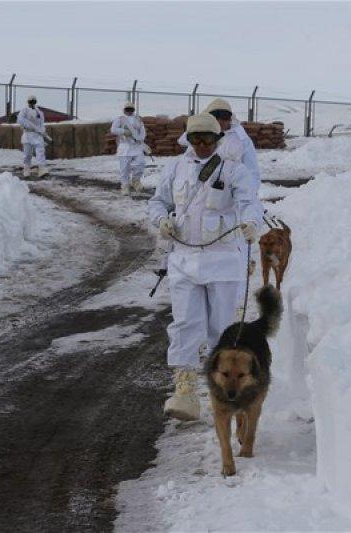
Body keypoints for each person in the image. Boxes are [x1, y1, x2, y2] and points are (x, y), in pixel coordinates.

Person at [148, 113, 263, 421]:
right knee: (185, 323)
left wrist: (251, 222)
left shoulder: (234, 171)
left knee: (221, 329)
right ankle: (185, 392)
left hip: (222, 260)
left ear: (217, 140)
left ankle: (221, 393)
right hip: (184, 259)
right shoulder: (174, 168)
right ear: (188, 139)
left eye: (207, 140)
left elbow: (249, 201)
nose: (201, 146)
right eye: (195, 139)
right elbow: (157, 202)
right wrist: (162, 221)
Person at [178, 98, 261, 188]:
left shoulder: (241, 140)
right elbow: (186, 163)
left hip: (230, 189)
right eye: (215, 116)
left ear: (230, 119)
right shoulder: (200, 138)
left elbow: (252, 171)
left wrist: (250, 193)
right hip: (200, 188)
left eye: (224, 117)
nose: (220, 121)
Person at [110, 101, 147, 195]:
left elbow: (142, 130)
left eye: (131, 109)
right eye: (127, 109)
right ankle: (125, 186)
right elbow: (113, 130)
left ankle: (135, 181)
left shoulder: (138, 119)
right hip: (125, 147)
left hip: (136, 146)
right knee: (125, 168)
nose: (129, 111)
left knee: (140, 164)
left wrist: (140, 139)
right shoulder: (120, 119)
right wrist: (124, 131)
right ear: (124, 110)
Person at [17, 95, 48, 177]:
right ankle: (26, 169)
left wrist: (42, 131)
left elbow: (41, 124)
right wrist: (29, 126)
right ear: (28, 102)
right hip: (27, 135)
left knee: (40, 151)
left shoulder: (39, 112)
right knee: (27, 154)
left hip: (37, 135)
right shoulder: (24, 110)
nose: (32, 103)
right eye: (30, 101)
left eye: (33, 101)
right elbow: (20, 120)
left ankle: (42, 168)